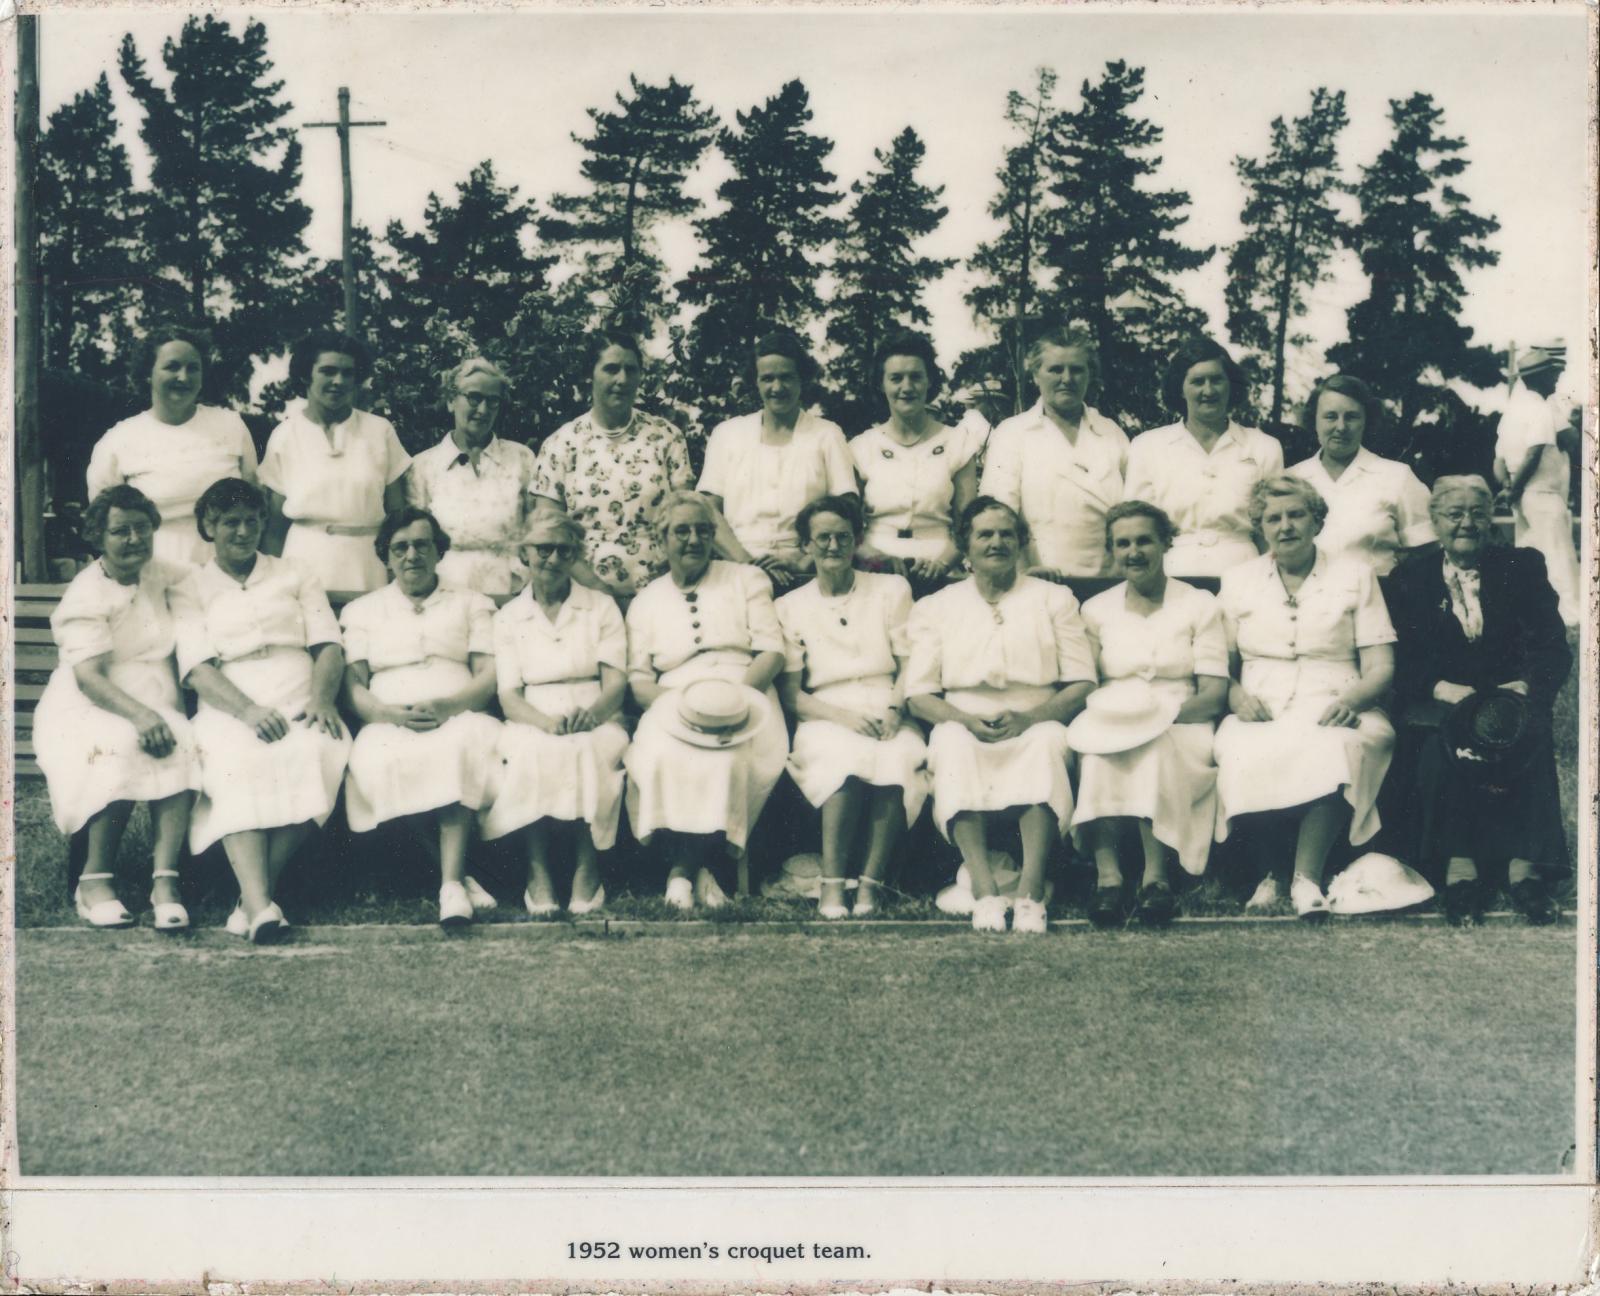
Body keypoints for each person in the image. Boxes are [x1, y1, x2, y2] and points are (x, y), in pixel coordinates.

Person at [171, 479, 351, 944]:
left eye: (252, 520)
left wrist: (322, 699)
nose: (243, 531)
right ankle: (260, 903)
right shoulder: (190, 586)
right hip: (230, 700)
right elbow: (196, 669)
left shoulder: (294, 573)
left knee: (316, 750)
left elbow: (328, 645)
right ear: (208, 526)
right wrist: (248, 711)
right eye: (230, 522)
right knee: (237, 762)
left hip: (300, 691)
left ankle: (252, 902)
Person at [1386, 475, 1572, 925]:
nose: (1467, 523)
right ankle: (1459, 872)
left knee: (1531, 736)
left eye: (1477, 513)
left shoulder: (1522, 565)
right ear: (1435, 521)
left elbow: (1551, 645)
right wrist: (1438, 687)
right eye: (1455, 514)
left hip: (1510, 698)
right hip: (1443, 699)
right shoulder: (1409, 577)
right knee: (1438, 747)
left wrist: (1528, 686)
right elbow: (1402, 657)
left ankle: (1524, 873)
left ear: (1491, 518)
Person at [905, 497, 1096, 935]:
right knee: (950, 745)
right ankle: (985, 892)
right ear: (965, 546)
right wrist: (963, 719)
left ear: (1021, 542)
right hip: (963, 718)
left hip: (1038, 716)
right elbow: (918, 695)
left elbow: (1082, 682)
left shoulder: (1054, 599)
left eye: (1006, 534)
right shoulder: (937, 606)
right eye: (984, 534)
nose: (996, 542)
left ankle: (1031, 894)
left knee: (1046, 746)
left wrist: (1031, 718)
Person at [1213, 475, 1396, 921]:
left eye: (1296, 514)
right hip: (1262, 700)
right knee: (1242, 747)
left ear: (1317, 520)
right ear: (1260, 527)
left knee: (1339, 745)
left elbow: (1382, 666)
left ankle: (1305, 879)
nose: (1286, 526)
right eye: (1273, 518)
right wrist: (1235, 696)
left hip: (1336, 695)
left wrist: (1353, 700)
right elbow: (1218, 662)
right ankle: (1270, 873)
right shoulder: (1238, 580)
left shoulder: (1356, 575)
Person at [34, 485, 202, 930]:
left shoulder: (160, 572)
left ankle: (165, 882)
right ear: (98, 537)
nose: (133, 540)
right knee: (122, 744)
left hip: (151, 698)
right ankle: (94, 882)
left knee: (183, 739)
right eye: (120, 531)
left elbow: (206, 583)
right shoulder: (86, 594)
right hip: (87, 704)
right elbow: (88, 678)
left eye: (142, 529)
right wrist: (142, 715)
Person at [625, 491, 789, 910]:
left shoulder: (746, 579)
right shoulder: (645, 601)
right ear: (662, 539)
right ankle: (699, 871)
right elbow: (640, 681)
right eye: (681, 531)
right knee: (660, 754)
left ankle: (682, 871)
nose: (693, 540)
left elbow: (771, 651)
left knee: (728, 758)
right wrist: (677, 707)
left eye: (703, 530)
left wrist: (736, 698)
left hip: (746, 689)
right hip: (673, 698)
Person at [339, 508, 502, 928]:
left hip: (460, 710)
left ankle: (448, 884)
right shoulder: (362, 611)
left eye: (422, 545)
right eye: (400, 548)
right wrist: (387, 713)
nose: (412, 555)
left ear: (438, 550)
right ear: (386, 557)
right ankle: (459, 879)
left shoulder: (472, 603)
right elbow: (354, 686)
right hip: (388, 716)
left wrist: (451, 706)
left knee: (458, 747)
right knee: (380, 759)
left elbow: (489, 675)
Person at [1070, 501, 1228, 928]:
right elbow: (1088, 685)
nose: (1133, 552)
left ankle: (1156, 880)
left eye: (1144, 541)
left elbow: (1213, 694)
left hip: (1183, 719)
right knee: (1097, 754)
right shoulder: (1096, 610)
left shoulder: (1199, 605)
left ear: (1165, 543)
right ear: (1111, 550)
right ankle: (1109, 880)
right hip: (1112, 717)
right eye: (1122, 544)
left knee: (1154, 746)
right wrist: (1122, 719)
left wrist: (1159, 718)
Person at [775, 494, 928, 919]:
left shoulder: (891, 590)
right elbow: (792, 694)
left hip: (888, 701)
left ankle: (869, 887)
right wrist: (843, 717)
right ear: (806, 545)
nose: (832, 546)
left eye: (842, 537)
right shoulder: (789, 606)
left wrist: (896, 710)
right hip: (824, 711)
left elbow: (910, 663)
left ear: (856, 540)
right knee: (843, 758)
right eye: (822, 538)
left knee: (897, 758)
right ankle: (832, 884)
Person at [482, 512, 629, 916]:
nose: (552, 558)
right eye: (543, 549)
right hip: (533, 714)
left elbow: (616, 682)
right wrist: (546, 723)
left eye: (564, 550)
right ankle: (537, 869)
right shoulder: (509, 616)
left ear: (575, 556)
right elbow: (509, 696)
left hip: (596, 711)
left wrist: (591, 715)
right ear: (524, 554)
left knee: (586, 750)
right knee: (531, 752)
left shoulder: (600, 606)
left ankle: (587, 864)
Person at [530, 328, 693, 604]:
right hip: (583, 595)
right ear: (590, 375)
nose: (622, 379)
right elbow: (549, 534)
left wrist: (657, 588)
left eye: (631, 370)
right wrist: (599, 591)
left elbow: (685, 521)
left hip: (662, 592)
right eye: (611, 369)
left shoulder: (666, 437)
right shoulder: (561, 444)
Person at [85, 324, 258, 568]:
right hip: (150, 574)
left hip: (226, 572)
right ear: (148, 373)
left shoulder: (231, 427)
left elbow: (255, 507)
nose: (183, 377)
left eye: (193, 368)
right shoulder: (117, 441)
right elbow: (104, 526)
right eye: (172, 367)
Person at [697, 329, 857, 592]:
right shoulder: (727, 434)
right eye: (767, 378)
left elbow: (847, 508)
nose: (777, 388)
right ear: (756, 382)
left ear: (802, 379)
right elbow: (708, 509)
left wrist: (807, 560)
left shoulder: (827, 434)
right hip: (736, 568)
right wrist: (747, 562)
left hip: (808, 573)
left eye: (786, 378)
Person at [259, 330, 410, 594]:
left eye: (348, 373)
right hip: (303, 563)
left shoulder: (379, 431)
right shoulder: (284, 436)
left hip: (368, 564)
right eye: (327, 371)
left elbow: (397, 514)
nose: (338, 381)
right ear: (307, 374)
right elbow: (274, 528)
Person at [1125, 337, 1284, 577]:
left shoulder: (1264, 447)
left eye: (1217, 380)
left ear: (1231, 385)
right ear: (1181, 387)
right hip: (1170, 573)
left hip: (1246, 573)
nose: (1208, 391)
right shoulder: (1147, 446)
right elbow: (1134, 526)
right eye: (1198, 382)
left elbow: (1271, 530)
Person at [981, 326, 1130, 579]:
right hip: (1037, 578)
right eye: (1055, 369)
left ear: (1088, 375)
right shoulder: (1013, 433)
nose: (1067, 379)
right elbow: (998, 514)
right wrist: (1023, 573)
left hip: (1109, 580)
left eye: (1076, 369)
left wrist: (1120, 571)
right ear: (1036, 375)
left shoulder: (1111, 433)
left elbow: (1133, 511)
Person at [850, 330, 981, 594]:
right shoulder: (861, 447)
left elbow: (968, 524)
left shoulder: (959, 443)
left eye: (916, 377)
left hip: (940, 566)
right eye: (896, 378)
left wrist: (942, 563)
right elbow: (847, 528)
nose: (906, 388)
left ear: (929, 381)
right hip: (875, 568)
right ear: (881, 383)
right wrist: (875, 559)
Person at [405, 357, 538, 597]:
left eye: (493, 401)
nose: (483, 410)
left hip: (511, 592)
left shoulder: (522, 459)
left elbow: (537, 530)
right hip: (444, 592)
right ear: (451, 401)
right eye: (474, 398)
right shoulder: (423, 466)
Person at [1288, 374, 1433, 576]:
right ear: (1314, 420)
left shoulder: (1397, 477)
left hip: (1377, 601)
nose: (1341, 427)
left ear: (1366, 421)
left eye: (1351, 417)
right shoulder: (1291, 480)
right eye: (1330, 416)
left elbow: (1426, 551)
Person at [1493, 343, 1581, 627]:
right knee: (1558, 556)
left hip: (1522, 498)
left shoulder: (1510, 412)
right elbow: (1535, 451)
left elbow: (1499, 461)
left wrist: (1508, 487)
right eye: (1552, 376)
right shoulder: (1541, 408)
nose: (1555, 381)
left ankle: (1532, 616)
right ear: (1539, 378)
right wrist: (1515, 488)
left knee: (1530, 555)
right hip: (1541, 494)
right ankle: (1571, 616)